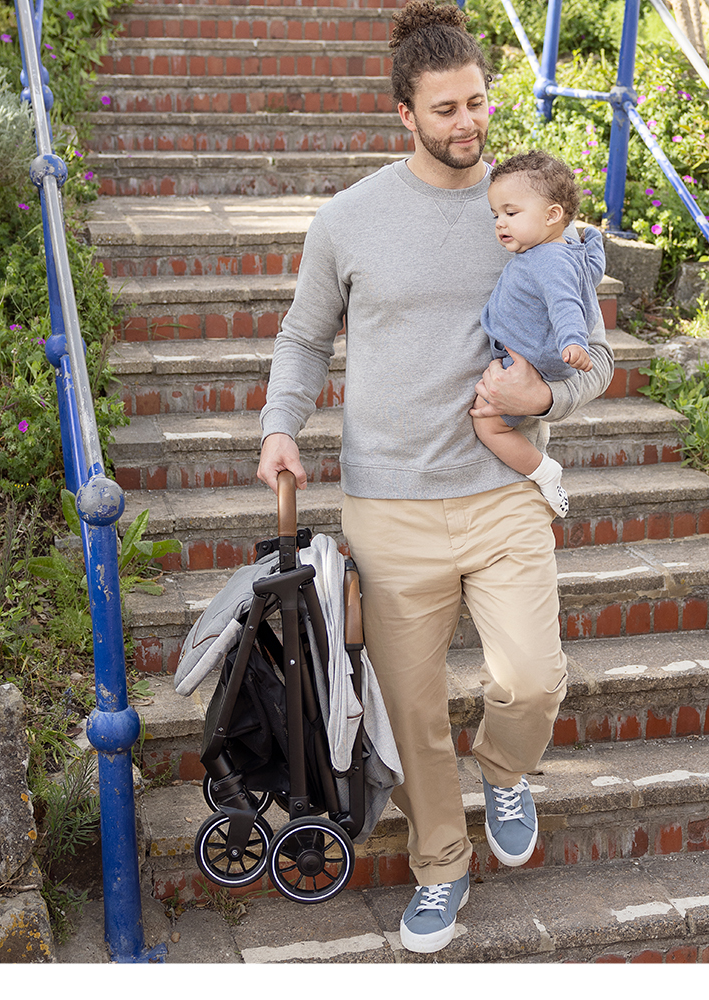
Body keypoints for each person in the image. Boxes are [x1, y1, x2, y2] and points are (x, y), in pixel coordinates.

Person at [255, 1, 613, 954]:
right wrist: (280, 425)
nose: (470, 125)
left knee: (533, 677)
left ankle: (505, 766)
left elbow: (598, 363)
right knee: (411, 713)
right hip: (390, 507)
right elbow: (302, 338)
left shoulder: (534, 212)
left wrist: (544, 405)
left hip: (501, 493)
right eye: (446, 109)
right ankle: (440, 869)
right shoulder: (349, 220)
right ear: (403, 114)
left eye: (480, 103)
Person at [476, 150, 608, 519]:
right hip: (535, 353)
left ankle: (544, 472)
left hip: (533, 359)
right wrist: (593, 247)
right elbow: (587, 278)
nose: (500, 223)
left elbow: (567, 303)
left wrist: (573, 342)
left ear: (552, 215)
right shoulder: (563, 250)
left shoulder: (548, 260)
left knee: (488, 425)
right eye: (496, 215)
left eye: (511, 213)